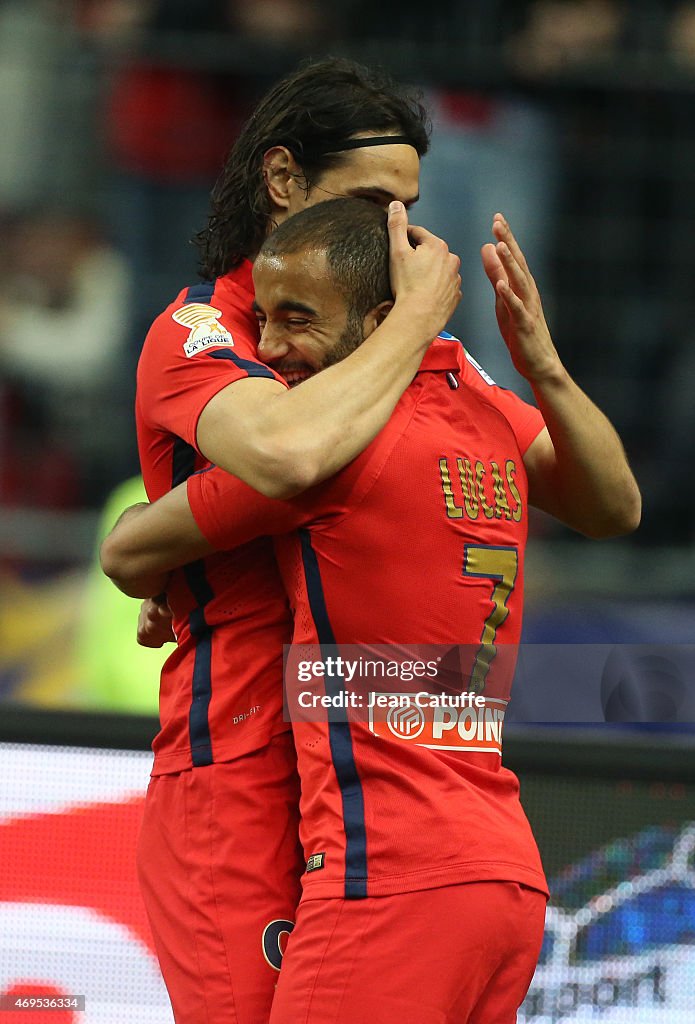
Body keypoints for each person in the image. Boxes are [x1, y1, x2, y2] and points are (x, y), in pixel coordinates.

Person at [102, 198, 641, 1022]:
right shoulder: (484, 411)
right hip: (502, 871)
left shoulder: (335, 453)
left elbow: (127, 550)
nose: (271, 349)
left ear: (384, 319)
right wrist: (545, 366)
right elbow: (614, 509)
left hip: (382, 880)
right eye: (263, 320)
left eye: (296, 320)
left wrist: (175, 576)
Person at [124, 56, 460, 1024]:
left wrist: (145, 542)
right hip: (243, 757)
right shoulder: (200, 333)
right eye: (368, 201)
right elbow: (284, 455)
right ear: (282, 182)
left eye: (408, 210)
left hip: (392, 778)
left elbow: (576, 498)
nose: (397, 237)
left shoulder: (401, 338)